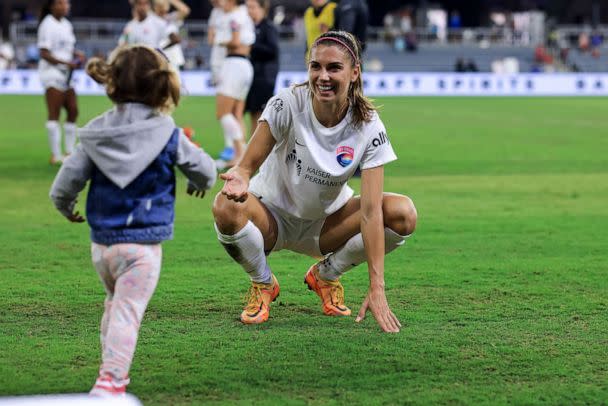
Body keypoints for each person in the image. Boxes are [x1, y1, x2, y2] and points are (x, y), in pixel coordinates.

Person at [212, 30, 417, 333]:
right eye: (315, 66)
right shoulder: (288, 104)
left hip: (326, 226)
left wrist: (377, 287)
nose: (323, 76)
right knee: (224, 206)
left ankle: (326, 275)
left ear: (354, 72)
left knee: (403, 213)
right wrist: (239, 179)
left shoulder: (368, 124)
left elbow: (372, 212)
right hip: (272, 219)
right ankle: (263, 282)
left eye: (334, 67)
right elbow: (245, 167)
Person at [49, 45, 217, 396]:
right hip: (142, 249)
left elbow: (64, 184)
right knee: (128, 311)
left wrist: (66, 206)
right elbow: (205, 170)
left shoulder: (95, 134)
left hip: (102, 246)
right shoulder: (168, 133)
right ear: (162, 84)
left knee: (114, 305)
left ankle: (109, 371)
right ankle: (110, 382)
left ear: (114, 82)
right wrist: (200, 185)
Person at [37, 0, 85, 165]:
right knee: (54, 112)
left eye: (67, 3)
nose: (66, 6)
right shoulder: (47, 25)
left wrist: (77, 54)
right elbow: (44, 53)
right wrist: (66, 63)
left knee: (73, 111)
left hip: (68, 73)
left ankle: (70, 152)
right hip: (52, 73)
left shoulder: (66, 24)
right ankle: (55, 155)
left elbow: (67, 49)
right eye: (61, 3)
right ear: (52, 6)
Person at [213, 0, 256, 168]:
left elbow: (235, 41)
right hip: (245, 65)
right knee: (237, 114)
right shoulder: (244, 15)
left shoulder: (234, 17)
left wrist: (220, 41)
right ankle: (241, 155)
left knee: (222, 113)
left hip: (234, 64)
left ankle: (240, 154)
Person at [244, 0, 279, 137]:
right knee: (253, 113)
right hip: (253, 77)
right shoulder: (250, 27)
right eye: (248, 7)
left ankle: (259, 152)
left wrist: (252, 47)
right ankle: (252, 149)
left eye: (252, 7)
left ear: (263, 9)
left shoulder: (268, 28)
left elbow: (272, 50)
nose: (249, 11)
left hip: (264, 78)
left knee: (262, 116)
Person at [153, 0, 190, 70]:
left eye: (164, 4)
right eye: (159, 5)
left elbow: (185, 10)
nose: (161, 7)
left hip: (172, 57)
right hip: (157, 57)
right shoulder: (151, 19)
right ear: (155, 7)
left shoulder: (171, 17)